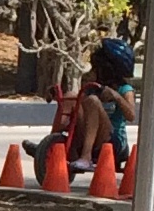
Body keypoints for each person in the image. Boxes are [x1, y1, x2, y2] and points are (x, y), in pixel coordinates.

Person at [26, 37, 136, 177]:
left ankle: (86, 157)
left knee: (92, 101)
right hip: (89, 136)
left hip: (112, 141)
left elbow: (131, 115)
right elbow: (78, 106)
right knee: (71, 96)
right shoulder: (93, 85)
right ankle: (51, 144)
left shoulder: (125, 89)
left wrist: (116, 96)